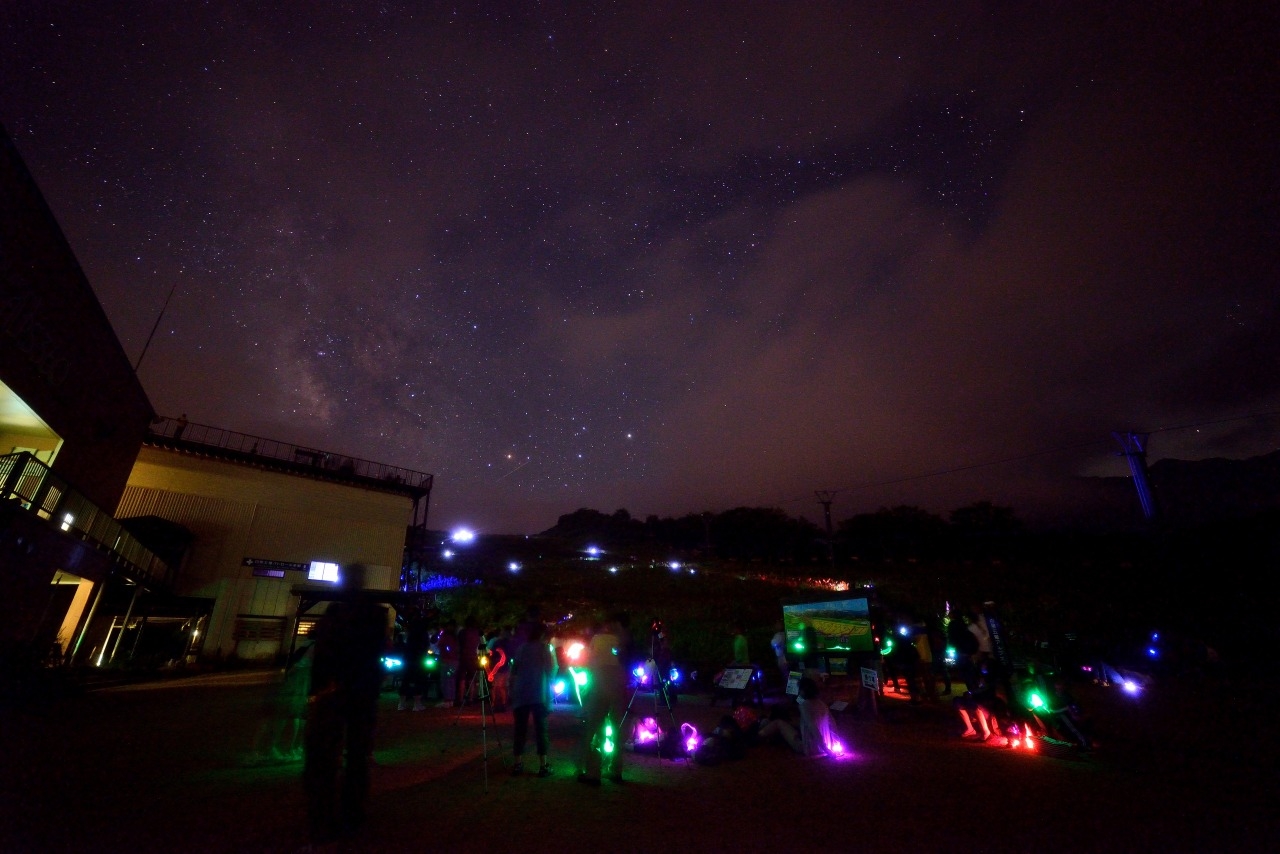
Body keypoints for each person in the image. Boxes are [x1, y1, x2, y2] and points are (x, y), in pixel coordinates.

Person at [303, 564, 391, 844]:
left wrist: (318, 690)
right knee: (356, 755)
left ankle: (324, 814)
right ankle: (352, 813)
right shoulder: (375, 614)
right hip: (361, 691)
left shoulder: (335, 613)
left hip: (336, 691)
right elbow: (381, 651)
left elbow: (322, 651)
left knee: (326, 755)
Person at [576, 615, 629, 785]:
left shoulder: (597, 639)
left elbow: (589, 661)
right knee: (616, 728)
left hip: (600, 685)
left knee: (594, 727)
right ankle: (615, 770)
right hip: (617, 687)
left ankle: (591, 771)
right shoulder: (622, 640)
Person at [247, 637, 313, 764]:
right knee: (291, 716)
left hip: (287, 683)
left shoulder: (305, 645)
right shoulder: (313, 649)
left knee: (275, 716)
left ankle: (260, 750)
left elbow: (295, 663)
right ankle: (281, 749)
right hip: (295, 685)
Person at [509, 621, 556, 777]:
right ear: (543, 635)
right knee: (541, 730)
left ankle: (517, 764)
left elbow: (514, 671)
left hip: (521, 693)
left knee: (520, 730)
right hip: (539, 694)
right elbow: (551, 671)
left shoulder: (521, 649)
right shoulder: (545, 649)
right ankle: (543, 765)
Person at [770, 620, 790, 686]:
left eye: (778, 624)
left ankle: (788, 689)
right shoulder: (785, 634)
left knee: (785, 675)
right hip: (785, 657)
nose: (776, 626)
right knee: (786, 674)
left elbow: (773, 644)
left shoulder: (778, 635)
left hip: (782, 657)